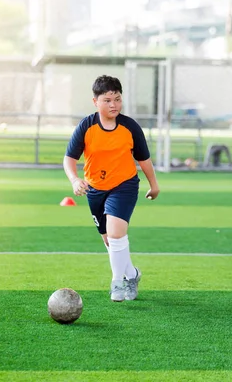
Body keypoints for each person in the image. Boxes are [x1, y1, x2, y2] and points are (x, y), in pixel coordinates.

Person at [63, 75, 160, 302]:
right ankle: (132, 274)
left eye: (117, 99)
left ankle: (117, 283)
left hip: (124, 185)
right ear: (95, 101)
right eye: (107, 100)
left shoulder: (130, 127)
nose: (113, 104)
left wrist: (154, 185)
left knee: (117, 234)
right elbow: (69, 159)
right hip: (95, 190)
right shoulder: (86, 126)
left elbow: (144, 159)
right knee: (110, 241)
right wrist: (75, 180)